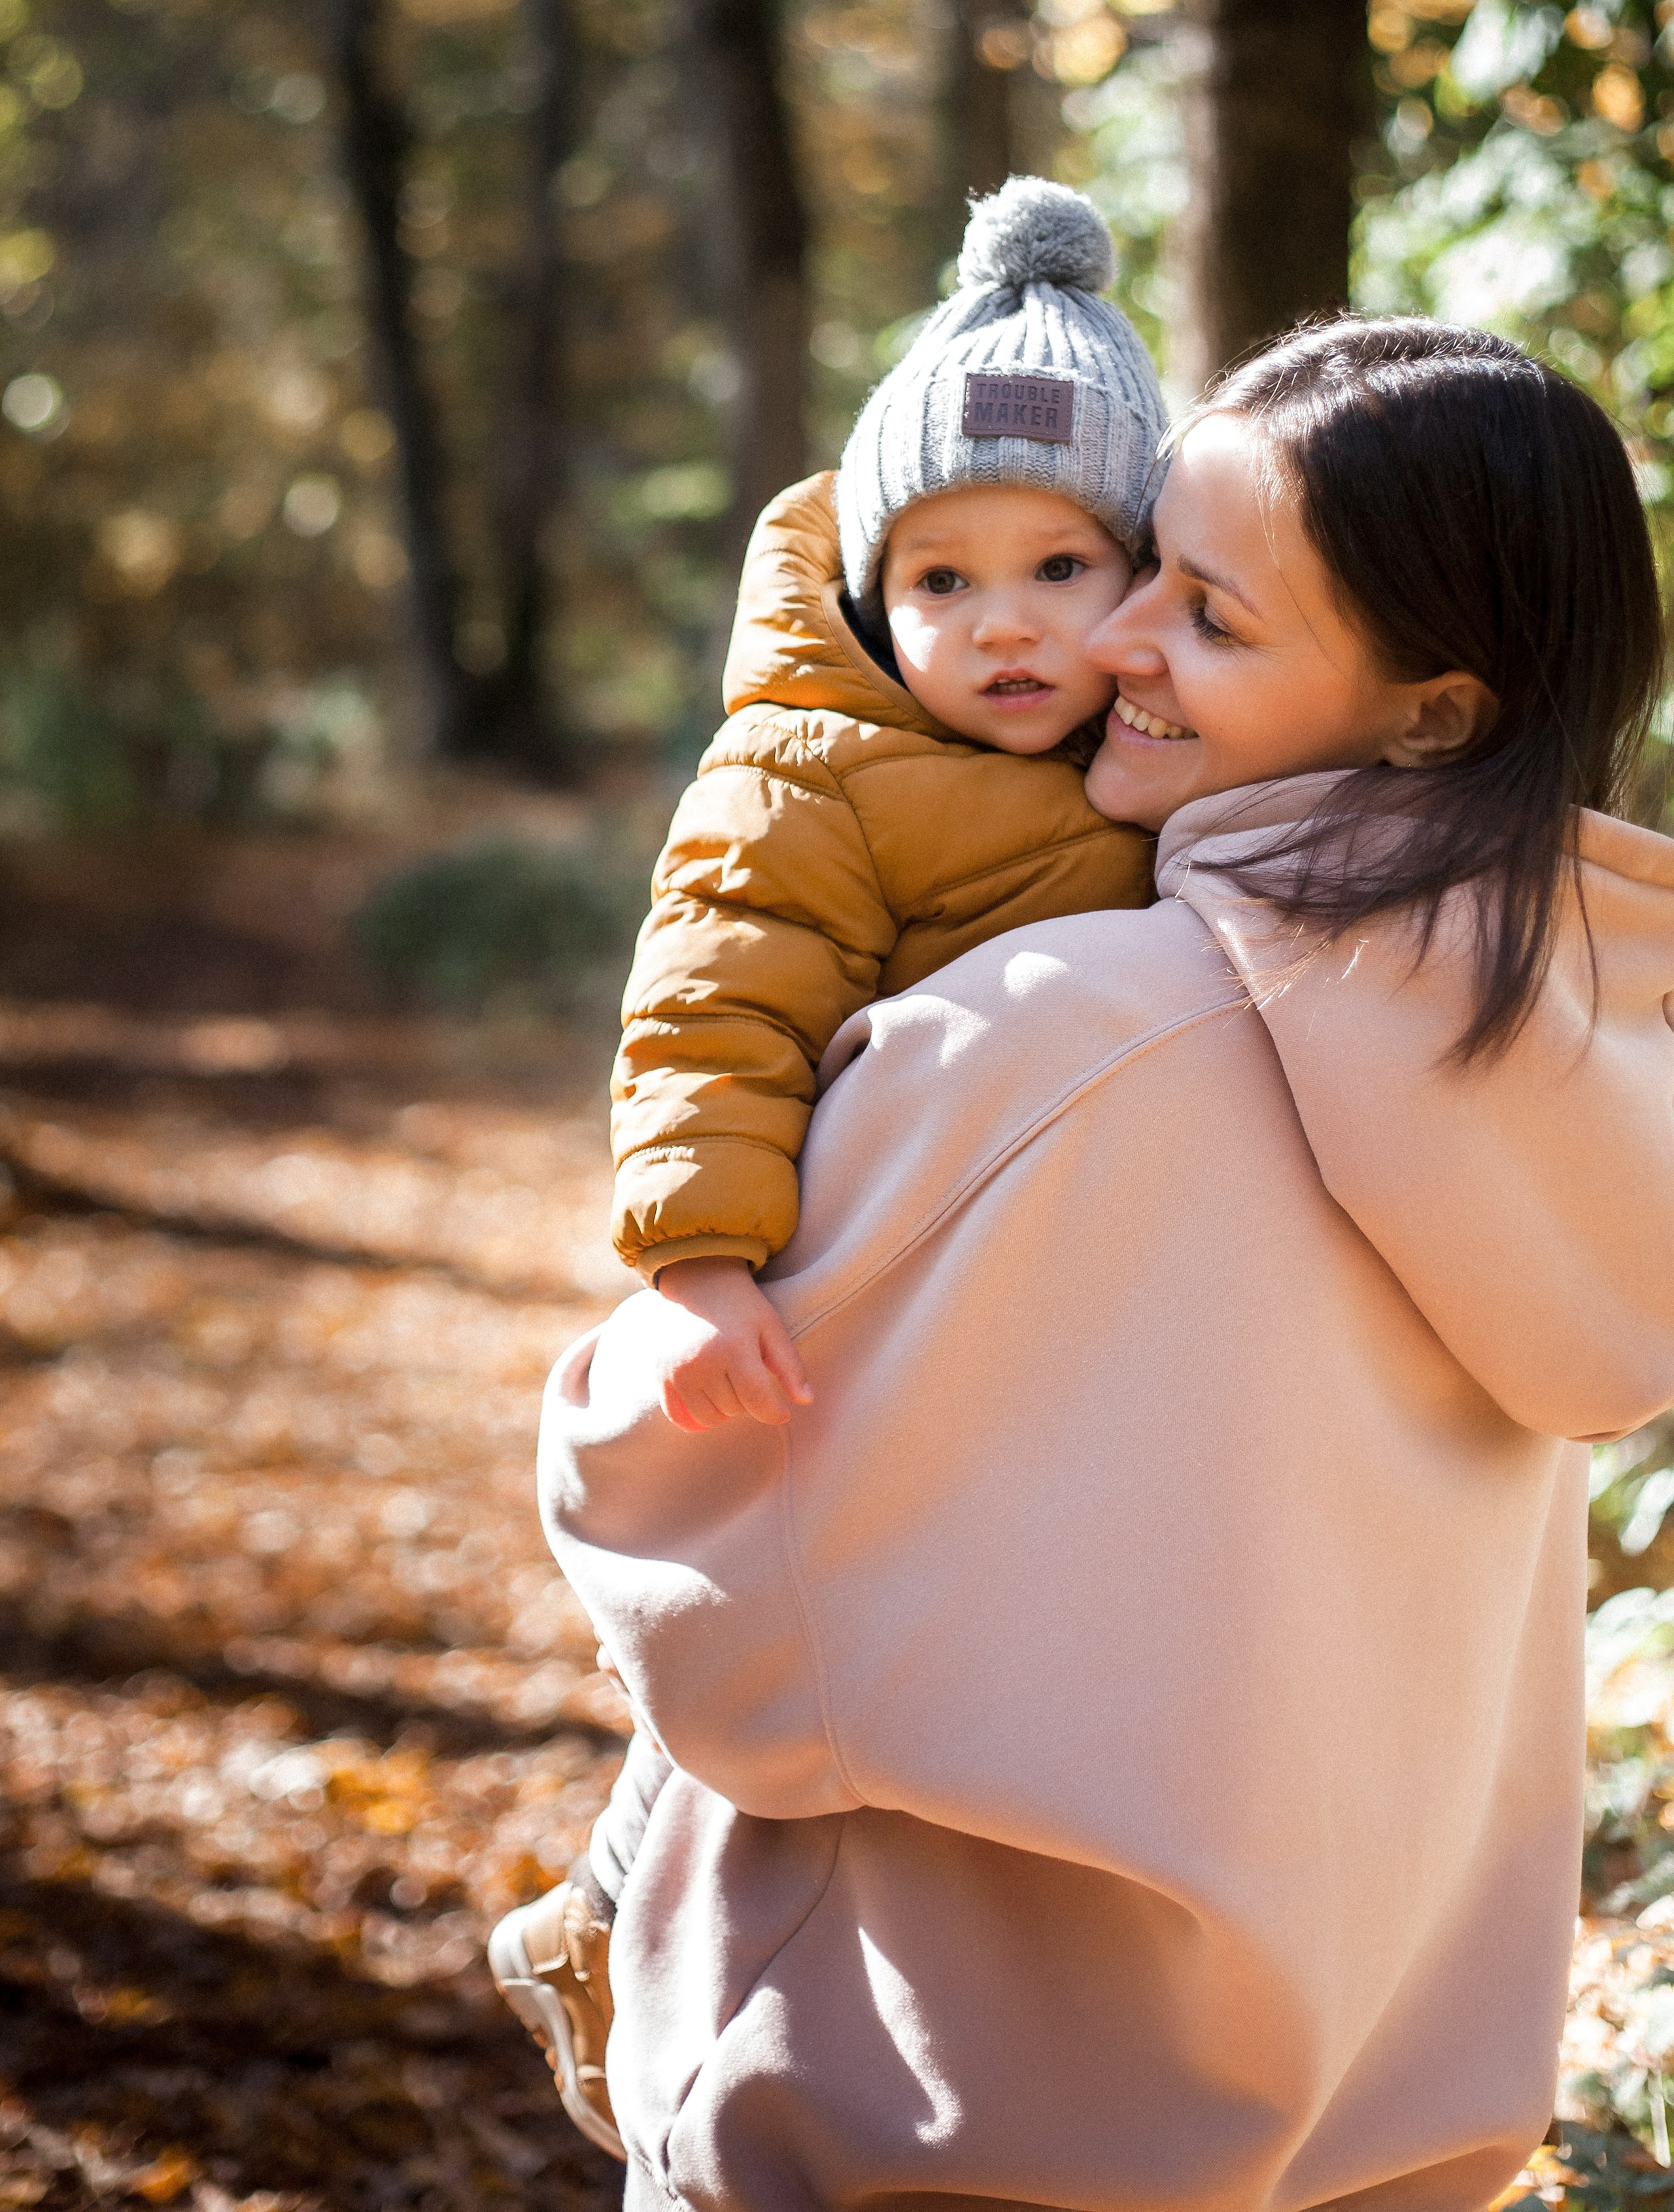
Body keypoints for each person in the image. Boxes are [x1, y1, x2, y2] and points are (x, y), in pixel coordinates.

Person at [530, 318, 1672, 2208]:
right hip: (1371, 2116)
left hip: (947, 2105)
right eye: (1144, 558)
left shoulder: (1057, 1037)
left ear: (1435, 713)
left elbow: (711, 1552)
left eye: (1210, 617)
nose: (1117, 640)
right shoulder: (1580, 1046)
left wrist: (611, 1400)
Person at [486, 179, 1168, 2150]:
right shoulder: (813, 763)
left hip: (1027, 1282)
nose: (1003, 623)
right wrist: (700, 1259)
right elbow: (711, 1010)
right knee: (783, 1640)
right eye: (942, 582)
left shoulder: (1142, 755)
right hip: (841, 1287)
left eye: (1059, 565)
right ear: (874, 592)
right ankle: (612, 1909)